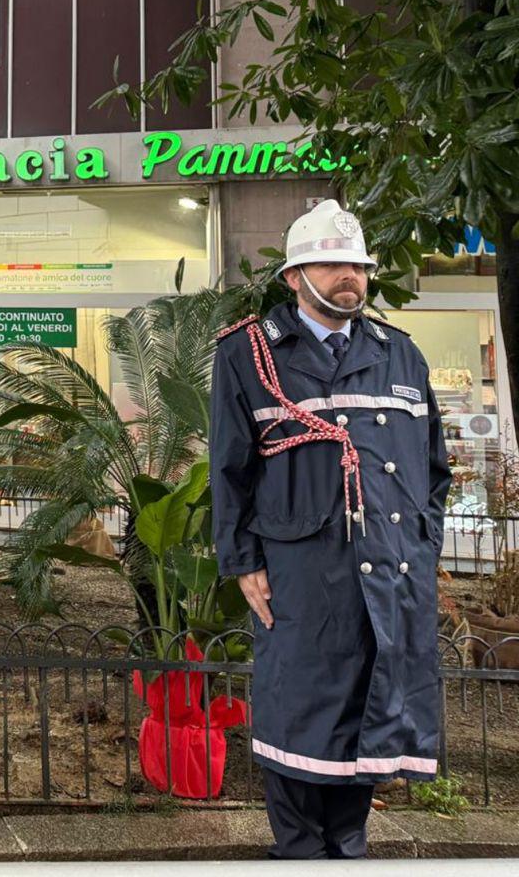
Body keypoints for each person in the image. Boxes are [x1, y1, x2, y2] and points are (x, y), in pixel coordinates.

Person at [210, 199, 452, 859]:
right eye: (331, 262)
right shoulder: (250, 354)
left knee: (371, 714)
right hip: (302, 575)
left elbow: (434, 469)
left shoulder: (400, 354)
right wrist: (241, 560)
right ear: (294, 275)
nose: (349, 275)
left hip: (389, 574)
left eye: (357, 264)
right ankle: (297, 850)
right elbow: (229, 467)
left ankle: (348, 844)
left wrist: (422, 545)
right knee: (300, 708)